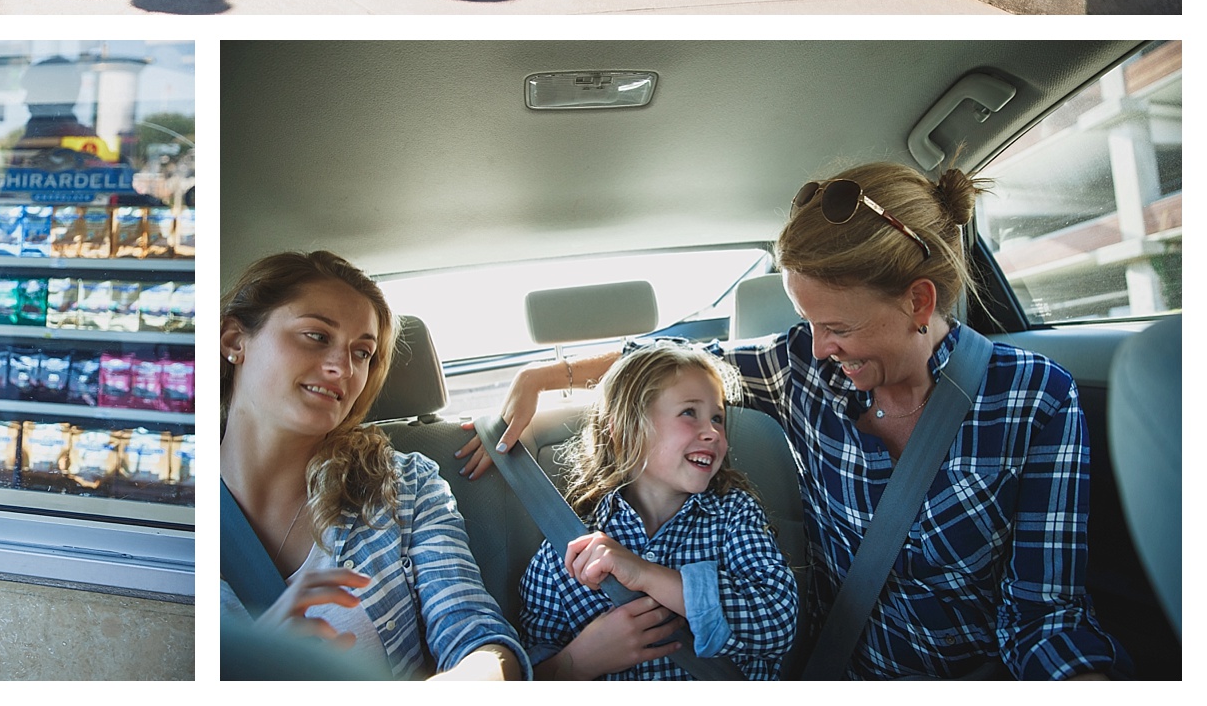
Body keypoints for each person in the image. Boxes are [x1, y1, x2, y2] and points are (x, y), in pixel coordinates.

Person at [462, 162, 1126, 680]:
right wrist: (543, 376)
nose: (817, 346)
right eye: (807, 323)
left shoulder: (1038, 399)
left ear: (918, 300)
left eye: (836, 326)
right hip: (844, 669)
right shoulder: (802, 369)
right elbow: (669, 363)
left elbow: (1045, 613)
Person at [221, 249, 528, 680]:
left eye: (362, 353)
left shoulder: (402, 485)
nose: (341, 367)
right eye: (316, 335)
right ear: (235, 341)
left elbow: (475, 634)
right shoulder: (159, 503)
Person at [516, 342, 798, 680]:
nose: (712, 432)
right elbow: (531, 668)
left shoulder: (734, 514)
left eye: (718, 418)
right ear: (623, 429)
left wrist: (645, 574)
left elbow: (778, 621)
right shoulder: (568, 551)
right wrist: (579, 661)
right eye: (689, 413)